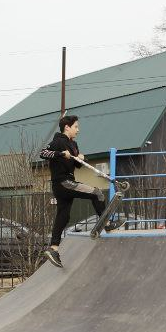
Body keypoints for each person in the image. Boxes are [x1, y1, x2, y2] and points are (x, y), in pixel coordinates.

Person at [39, 114, 115, 267]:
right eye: (76, 127)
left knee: (64, 215)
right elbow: (43, 153)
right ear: (67, 127)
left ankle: (53, 249)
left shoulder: (73, 144)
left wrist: (80, 157)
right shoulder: (57, 141)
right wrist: (61, 154)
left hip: (66, 184)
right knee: (97, 193)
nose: (78, 130)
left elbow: (78, 164)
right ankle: (106, 224)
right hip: (63, 182)